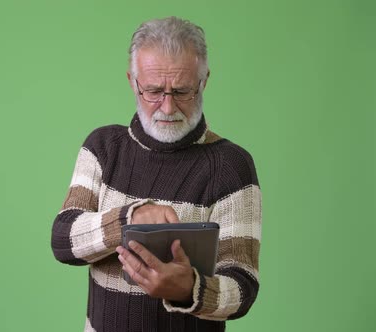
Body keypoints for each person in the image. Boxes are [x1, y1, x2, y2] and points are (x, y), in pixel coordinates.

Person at [51, 16, 261, 332]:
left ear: (204, 81)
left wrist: (190, 288)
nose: (167, 107)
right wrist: (129, 219)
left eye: (182, 91)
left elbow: (243, 287)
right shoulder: (103, 148)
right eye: (153, 91)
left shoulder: (231, 166)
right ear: (132, 82)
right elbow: (64, 240)